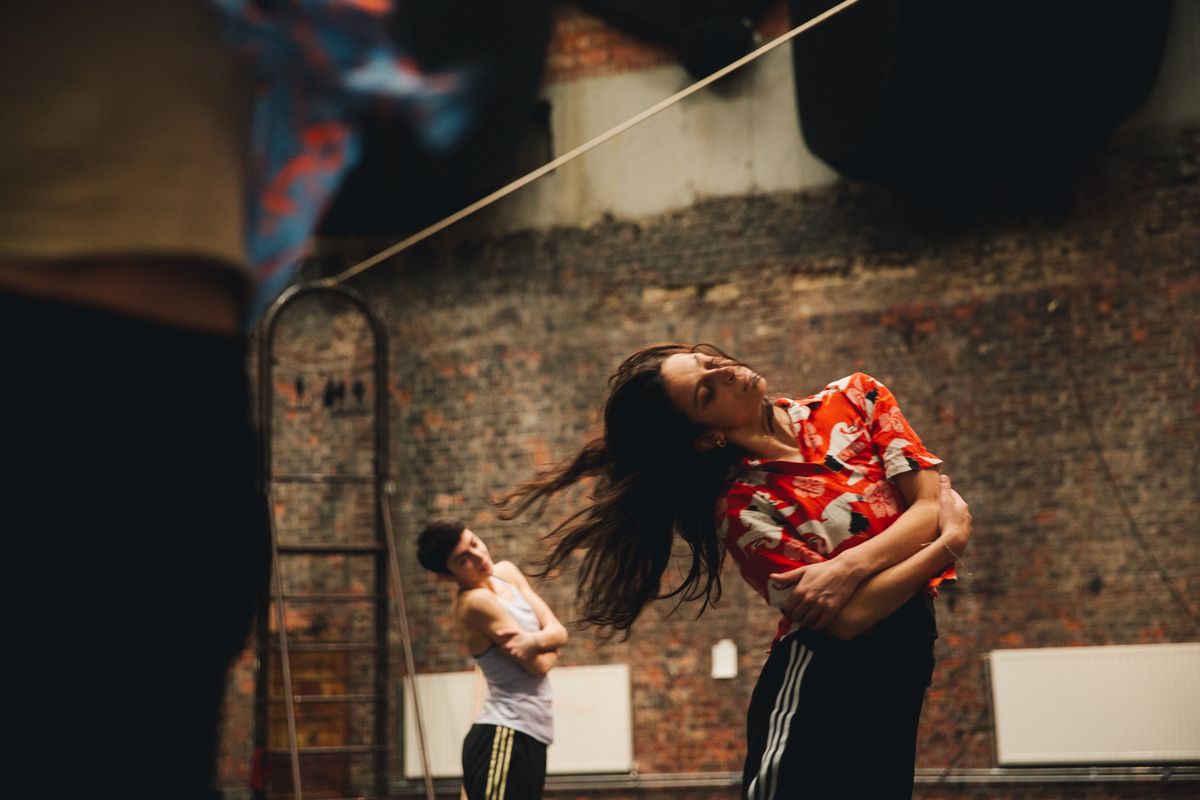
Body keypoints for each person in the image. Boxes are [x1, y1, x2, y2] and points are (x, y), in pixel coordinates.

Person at [501, 343, 973, 800]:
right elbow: (848, 619)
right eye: (707, 392)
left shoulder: (855, 397)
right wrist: (946, 547)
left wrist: (846, 568)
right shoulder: (743, 507)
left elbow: (929, 506)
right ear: (708, 437)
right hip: (820, 683)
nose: (725, 371)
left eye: (709, 362)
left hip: (905, 662)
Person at [417, 520, 568, 800]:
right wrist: (547, 640)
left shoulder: (507, 573)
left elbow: (561, 632)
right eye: (463, 560)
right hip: (504, 734)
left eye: (474, 543)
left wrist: (534, 642)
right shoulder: (475, 603)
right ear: (447, 576)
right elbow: (540, 665)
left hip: (532, 734)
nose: (478, 557)